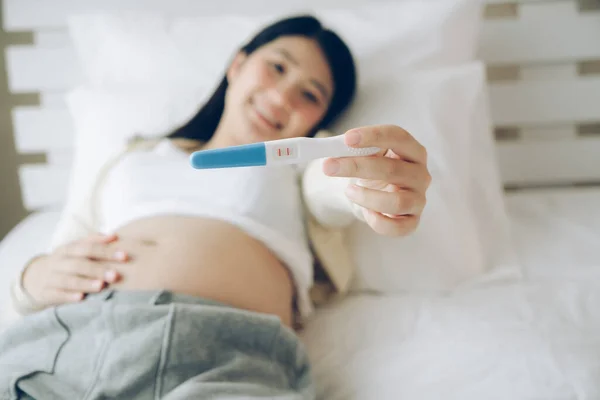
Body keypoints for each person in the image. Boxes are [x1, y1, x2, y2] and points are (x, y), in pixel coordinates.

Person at [0, 15, 430, 400]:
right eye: (277, 67)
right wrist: (29, 279)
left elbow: (332, 187)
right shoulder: (132, 158)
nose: (282, 98)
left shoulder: (302, 166)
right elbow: (64, 248)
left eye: (310, 94)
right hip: (69, 346)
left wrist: (368, 183)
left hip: (222, 356)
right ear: (237, 66)